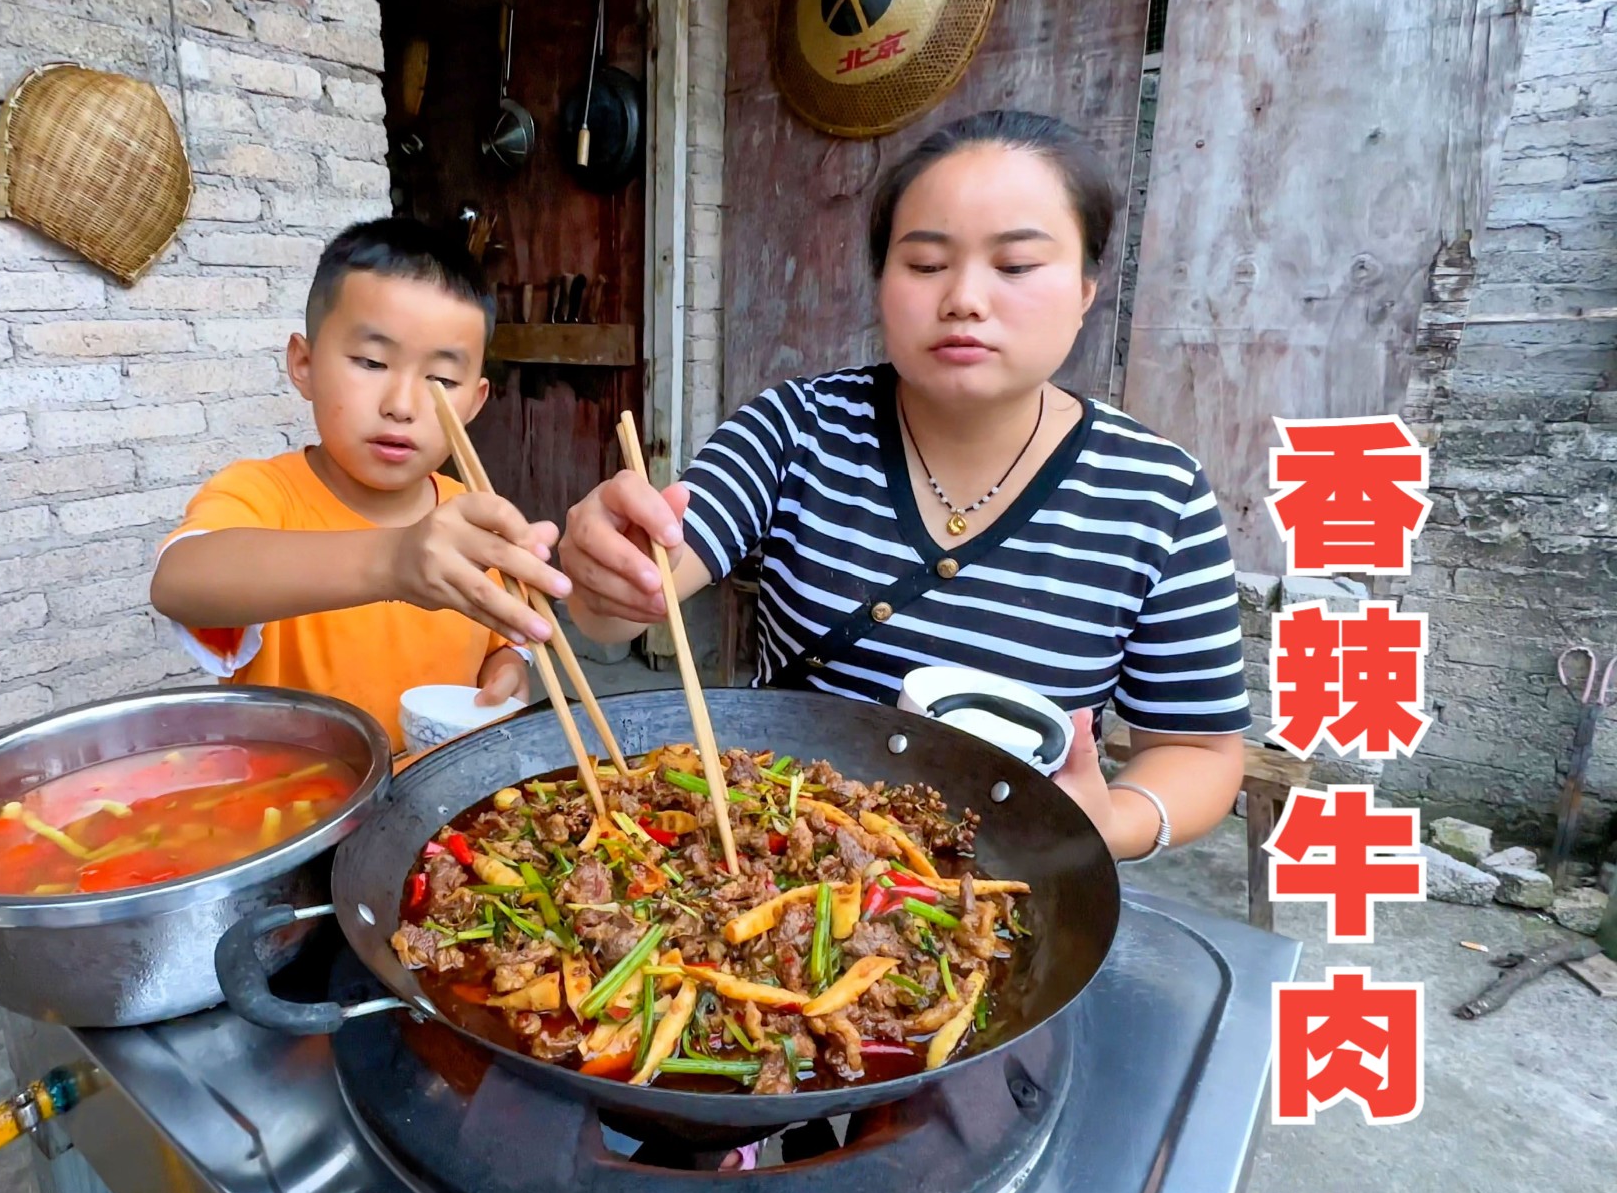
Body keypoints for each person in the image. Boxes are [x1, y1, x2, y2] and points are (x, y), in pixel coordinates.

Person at [557, 110, 1250, 861]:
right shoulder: (798, 428)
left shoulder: (1158, 496)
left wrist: (1109, 823)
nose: (964, 299)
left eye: (1016, 266)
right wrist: (611, 574)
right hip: (770, 855)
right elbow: (646, 579)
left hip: (1004, 881)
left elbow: (1200, 751)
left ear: (1086, 288)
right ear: (882, 281)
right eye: (924, 265)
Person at [150, 217, 570, 754]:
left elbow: (500, 645)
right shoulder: (263, 493)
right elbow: (180, 580)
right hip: (300, 814)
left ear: (475, 401)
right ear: (303, 364)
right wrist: (396, 561)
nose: (401, 403)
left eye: (441, 379)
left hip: (438, 813)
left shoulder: (473, 519)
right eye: (372, 362)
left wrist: (507, 669)